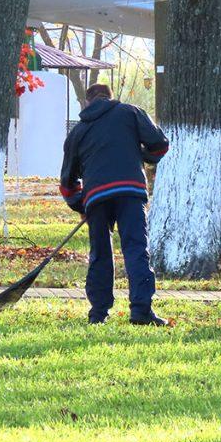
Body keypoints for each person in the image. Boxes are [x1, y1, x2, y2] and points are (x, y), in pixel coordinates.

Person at [60, 84, 169, 326]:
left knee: (100, 253)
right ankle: (141, 311)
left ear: (87, 103)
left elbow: (67, 183)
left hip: (96, 197)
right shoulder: (131, 112)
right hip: (130, 191)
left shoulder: (78, 133)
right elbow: (160, 144)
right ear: (110, 98)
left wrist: (81, 204)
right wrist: (142, 156)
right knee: (136, 249)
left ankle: (98, 313)